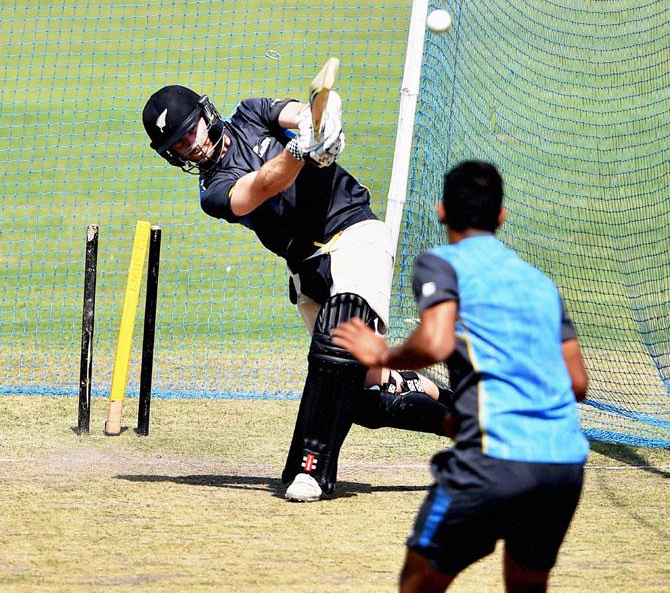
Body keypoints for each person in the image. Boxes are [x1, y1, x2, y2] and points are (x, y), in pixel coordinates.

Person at [141, 85, 454, 502]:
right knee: (362, 397)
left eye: (189, 131)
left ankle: (311, 470)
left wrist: (323, 128)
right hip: (307, 272)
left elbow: (320, 107)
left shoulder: (252, 114)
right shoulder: (213, 190)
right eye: (176, 144)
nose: (190, 146)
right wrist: (300, 152)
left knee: (335, 340)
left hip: (354, 232)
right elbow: (263, 186)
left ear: (206, 113)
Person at [333, 160, 589, 591]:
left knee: (418, 581)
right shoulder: (540, 284)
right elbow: (576, 383)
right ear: (502, 217)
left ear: (442, 213)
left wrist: (382, 353)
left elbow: (435, 342)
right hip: (562, 465)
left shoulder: (442, 264)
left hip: (492, 461)